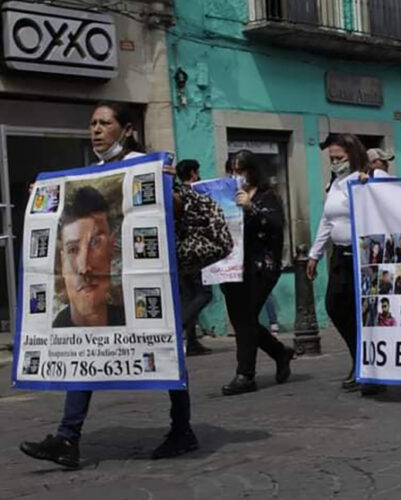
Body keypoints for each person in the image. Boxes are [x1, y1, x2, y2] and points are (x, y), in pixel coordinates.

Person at [20, 102, 196, 469]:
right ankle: (68, 437)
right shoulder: (90, 174)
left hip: (145, 281)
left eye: (105, 123)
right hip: (99, 286)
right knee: (83, 349)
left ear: (126, 129)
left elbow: (177, 209)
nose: (96, 129)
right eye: (92, 123)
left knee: (162, 351)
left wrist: (166, 184)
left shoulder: (146, 164)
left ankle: (182, 429)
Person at [307, 134, 389, 394]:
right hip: (339, 256)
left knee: (364, 313)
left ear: (352, 155)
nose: (334, 162)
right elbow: (327, 220)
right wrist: (314, 253)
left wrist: (372, 189)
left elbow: (400, 196)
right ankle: (360, 357)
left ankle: (372, 370)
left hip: (364, 257)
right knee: (335, 306)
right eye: (331, 158)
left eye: (338, 158)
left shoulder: (371, 177)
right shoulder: (335, 183)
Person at [220, 150, 294, 396]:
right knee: (243, 320)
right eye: (232, 170)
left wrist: (250, 207)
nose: (236, 175)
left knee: (247, 317)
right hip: (232, 267)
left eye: (241, 170)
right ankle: (279, 352)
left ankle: (245, 374)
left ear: (252, 172)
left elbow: (274, 225)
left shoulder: (266, 196)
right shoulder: (225, 197)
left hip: (261, 267)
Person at [52, 187, 125, 328]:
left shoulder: (133, 324)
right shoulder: (48, 337)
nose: (84, 268)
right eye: (73, 249)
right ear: (62, 261)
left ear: (111, 248)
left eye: (95, 243)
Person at [175, 159, 213, 356]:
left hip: (179, 251)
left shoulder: (175, 193)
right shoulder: (198, 192)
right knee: (205, 293)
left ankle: (192, 341)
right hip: (197, 250)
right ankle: (179, 326)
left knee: (188, 295)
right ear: (192, 173)